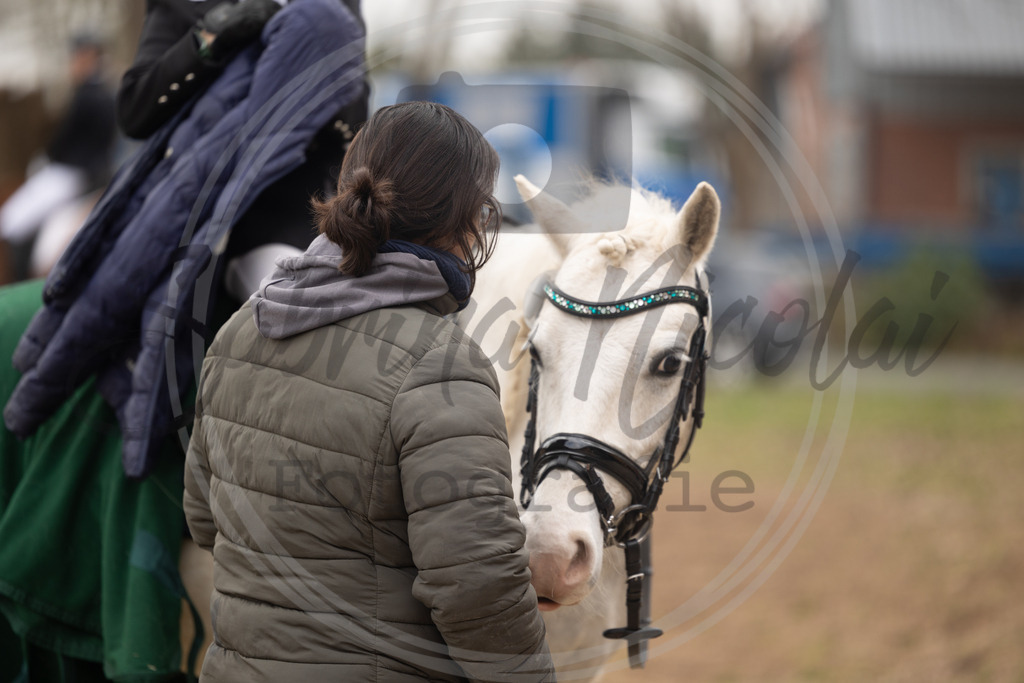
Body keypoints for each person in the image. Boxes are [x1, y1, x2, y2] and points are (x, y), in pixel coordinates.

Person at [183, 101, 556, 682]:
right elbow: (478, 591)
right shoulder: (442, 363)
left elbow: (206, 520)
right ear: (463, 218)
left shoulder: (238, 331)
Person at [116, 0, 370, 303]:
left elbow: (358, 113)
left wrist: (311, 70)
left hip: (287, 215)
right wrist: (212, 34)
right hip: (190, 206)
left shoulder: (333, 6)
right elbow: (135, 111)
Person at [0, 33, 117, 279]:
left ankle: (18, 279)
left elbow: (65, 141)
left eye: (78, 57)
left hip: (71, 173)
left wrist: (48, 156)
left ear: (89, 57)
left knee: (11, 222)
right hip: (87, 173)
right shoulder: (102, 93)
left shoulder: (89, 95)